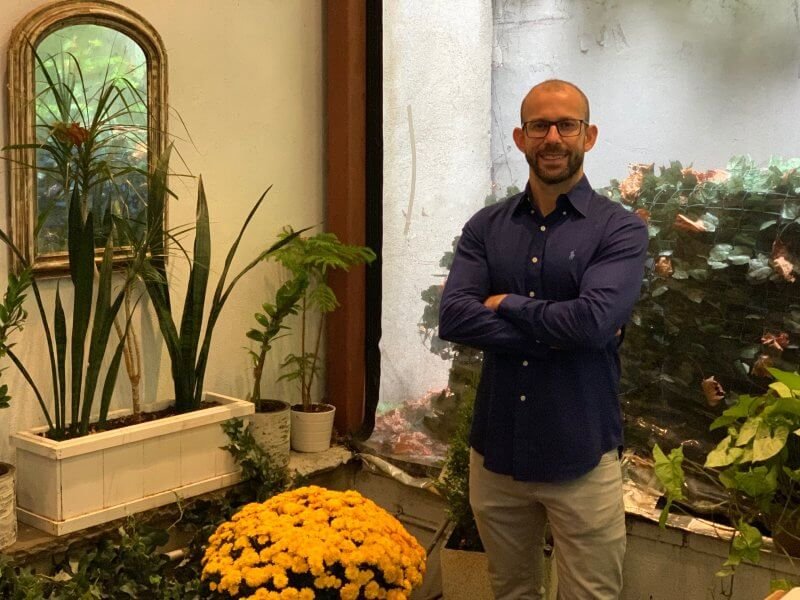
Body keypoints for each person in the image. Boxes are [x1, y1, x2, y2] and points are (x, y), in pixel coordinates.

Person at [438, 80, 648, 600]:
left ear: (588, 135)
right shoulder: (486, 227)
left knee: (590, 595)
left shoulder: (619, 231)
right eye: (539, 126)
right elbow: (455, 317)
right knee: (510, 591)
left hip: (581, 451)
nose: (552, 137)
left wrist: (506, 303)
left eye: (566, 124)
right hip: (497, 453)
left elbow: (593, 322)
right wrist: (566, 332)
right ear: (520, 136)